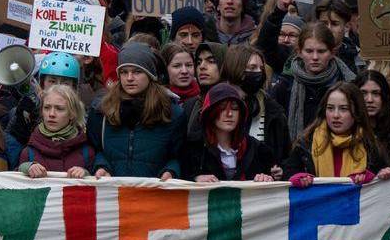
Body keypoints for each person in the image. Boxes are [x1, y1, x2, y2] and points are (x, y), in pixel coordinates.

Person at [90, 41, 186, 178]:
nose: (129, 78)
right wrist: (101, 166)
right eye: (124, 72)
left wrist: (171, 171)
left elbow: (179, 156)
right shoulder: (102, 110)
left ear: (150, 74)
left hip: (154, 195)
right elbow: (95, 149)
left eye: (137, 72)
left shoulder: (172, 113)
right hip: (112, 195)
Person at [281, 81, 390, 183]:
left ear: (357, 112)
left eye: (344, 109)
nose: (335, 115)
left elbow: (384, 184)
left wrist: (374, 177)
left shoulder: (370, 145)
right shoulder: (306, 143)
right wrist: (297, 177)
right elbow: (287, 174)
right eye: (330, 108)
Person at [182, 84, 281, 182]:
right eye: (222, 108)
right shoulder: (193, 146)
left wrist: (267, 177)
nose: (229, 114)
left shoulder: (255, 148)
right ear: (210, 112)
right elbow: (180, 178)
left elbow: (274, 173)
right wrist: (195, 179)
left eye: (235, 108)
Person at [20, 84, 97, 176]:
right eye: (47, 108)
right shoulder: (28, 153)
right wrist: (26, 168)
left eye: (59, 109)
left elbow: (98, 185)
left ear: (72, 114)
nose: (51, 114)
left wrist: (86, 174)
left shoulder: (87, 153)